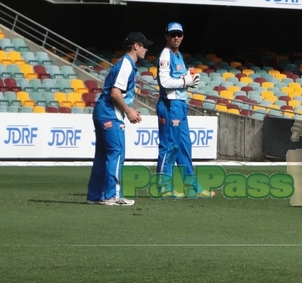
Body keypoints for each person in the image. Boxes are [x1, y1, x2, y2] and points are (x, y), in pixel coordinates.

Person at [86, 31, 153, 206]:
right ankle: (112, 196)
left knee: (103, 155)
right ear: (136, 46)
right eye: (144, 45)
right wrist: (128, 111)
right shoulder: (126, 64)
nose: (146, 49)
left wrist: (128, 109)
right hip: (110, 112)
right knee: (115, 153)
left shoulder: (124, 64)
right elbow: (115, 93)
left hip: (103, 111)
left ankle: (95, 195)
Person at [156, 22, 214, 199]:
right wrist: (185, 81)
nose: (176, 38)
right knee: (170, 146)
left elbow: (178, 79)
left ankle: (192, 187)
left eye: (179, 35)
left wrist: (189, 79)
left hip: (180, 105)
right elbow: (164, 83)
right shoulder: (166, 54)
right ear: (166, 36)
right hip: (170, 105)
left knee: (184, 146)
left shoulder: (178, 54)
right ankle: (163, 187)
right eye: (172, 35)